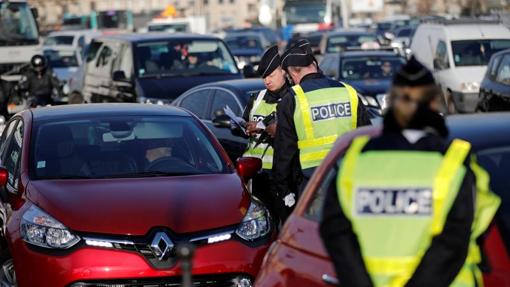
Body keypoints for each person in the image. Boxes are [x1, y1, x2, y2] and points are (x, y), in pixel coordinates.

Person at [320, 56, 501, 287]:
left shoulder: (355, 162)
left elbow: (336, 232)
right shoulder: (455, 164)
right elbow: (454, 241)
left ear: (393, 104)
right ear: (435, 103)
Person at [272, 40, 371, 222]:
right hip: (350, 181)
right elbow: (367, 139)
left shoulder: (293, 99)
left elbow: (285, 152)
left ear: (293, 72)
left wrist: (284, 189)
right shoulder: (349, 92)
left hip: (313, 186)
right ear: (314, 65)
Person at [237, 45, 290, 222]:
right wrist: (245, 126)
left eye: (271, 75)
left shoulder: (294, 97)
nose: (267, 81)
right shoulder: (257, 98)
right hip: (256, 173)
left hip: (282, 173)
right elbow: (244, 122)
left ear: (283, 72)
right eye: (264, 77)